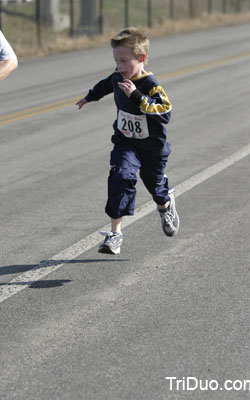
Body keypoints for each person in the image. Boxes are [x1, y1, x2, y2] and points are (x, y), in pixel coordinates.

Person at [76, 26, 179, 255]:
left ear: (141, 58)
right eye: (116, 60)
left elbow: (166, 112)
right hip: (126, 143)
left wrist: (136, 95)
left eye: (124, 60)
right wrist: (89, 97)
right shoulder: (117, 77)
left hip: (152, 148)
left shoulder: (150, 85)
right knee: (121, 176)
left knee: (155, 188)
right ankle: (115, 234)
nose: (119, 66)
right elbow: (106, 85)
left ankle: (165, 204)